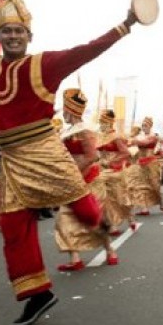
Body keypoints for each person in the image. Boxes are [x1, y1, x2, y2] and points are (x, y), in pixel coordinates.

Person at [0, 0, 141, 325]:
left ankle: (99, 221)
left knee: (80, 204)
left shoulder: (44, 64)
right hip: (11, 159)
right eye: (7, 31)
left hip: (44, 150)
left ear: (29, 36)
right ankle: (37, 294)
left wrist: (125, 25)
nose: (13, 36)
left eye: (19, 31)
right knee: (13, 227)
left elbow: (86, 50)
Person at [56, 89, 118, 271]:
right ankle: (74, 257)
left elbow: (92, 156)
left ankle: (110, 249)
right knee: (64, 217)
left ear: (70, 110)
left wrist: (75, 173)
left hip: (90, 179)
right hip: (73, 181)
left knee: (94, 218)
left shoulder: (86, 130)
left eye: (65, 110)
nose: (63, 113)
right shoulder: (68, 131)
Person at [130, 116, 163, 216]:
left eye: (145, 125)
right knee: (140, 186)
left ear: (150, 126)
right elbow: (131, 145)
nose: (144, 127)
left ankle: (162, 205)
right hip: (141, 164)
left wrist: (133, 139)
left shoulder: (154, 136)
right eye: (143, 125)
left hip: (151, 164)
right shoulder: (139, 137)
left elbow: (145, 143)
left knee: (155, 185)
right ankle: (144, 208)